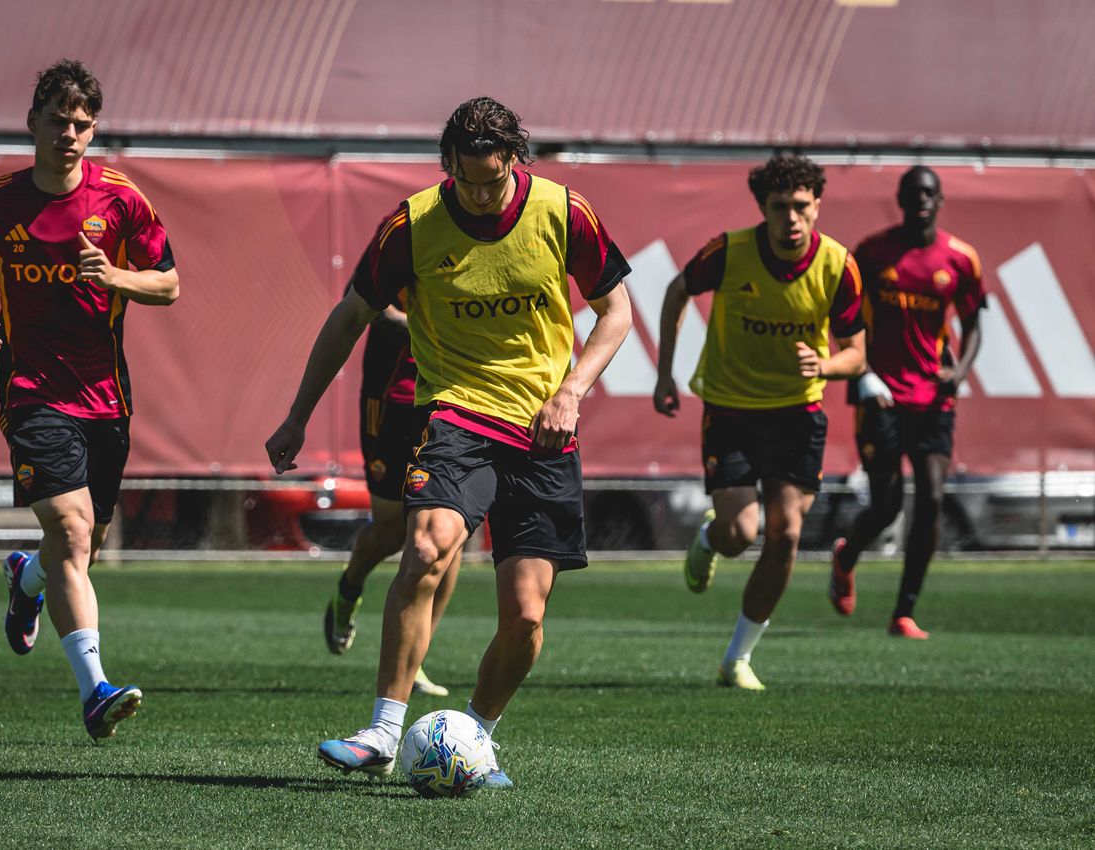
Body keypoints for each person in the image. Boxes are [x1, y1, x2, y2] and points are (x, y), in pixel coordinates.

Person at [267, 96, 632, 786]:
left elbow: (615, 310)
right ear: (449, 167)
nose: (479, 194)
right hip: (456, 413)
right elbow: (349, 318)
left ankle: (476, 735)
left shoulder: (563, 211)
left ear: (513, 162)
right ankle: (380, 731)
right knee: (426, 545)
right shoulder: (412, 224)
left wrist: (570, 391)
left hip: (543, 428)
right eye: (465, 180)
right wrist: (296, 415)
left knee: (525, 618)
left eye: (491, 181)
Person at [0, 59, 179, 739]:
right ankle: (94, 690)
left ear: (93, 129)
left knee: (82, 546)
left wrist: (117, 277)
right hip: (31, 390)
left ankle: (28, 579)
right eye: (57, 121)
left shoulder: (121, 200)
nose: (69, 134)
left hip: (105, 397)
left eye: (81, 125)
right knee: (72, 532)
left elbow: (169, 285)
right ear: (33, 122)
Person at [653, 153, 865, 691]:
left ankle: (737, 658)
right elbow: (677, 291)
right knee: (738, 533)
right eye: (780, 208)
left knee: (787, 532)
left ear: (817, 206)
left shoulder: (839, 266)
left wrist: (827, 365)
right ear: (763, 209)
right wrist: (665, 375)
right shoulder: (729, 252)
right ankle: (709, 538)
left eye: (801, 206)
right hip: (731, 409)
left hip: (798, 413)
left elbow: (857, 354)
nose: (791, 218)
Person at [828, 166, 985, 639]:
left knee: (933, 498)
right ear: (900, 198)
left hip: (933, 399)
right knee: (888, 504)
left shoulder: (960, 259)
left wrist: (959, 372)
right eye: (913, 192)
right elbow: (844, 316)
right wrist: (862, 371)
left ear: (940, 201)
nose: (921, 199)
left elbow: (975, 322)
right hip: (880, 396)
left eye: (929, 193)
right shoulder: (873, 253)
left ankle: (904, 612)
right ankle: (846, 555)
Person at [324, 293, 458, 697]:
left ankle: (413, 659)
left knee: (452, 532)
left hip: (452, 399)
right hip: (393, 401)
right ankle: (349, 589)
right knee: (390, 531)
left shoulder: (476, 238)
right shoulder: (399, 233)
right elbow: (365, 305)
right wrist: (428, 323)